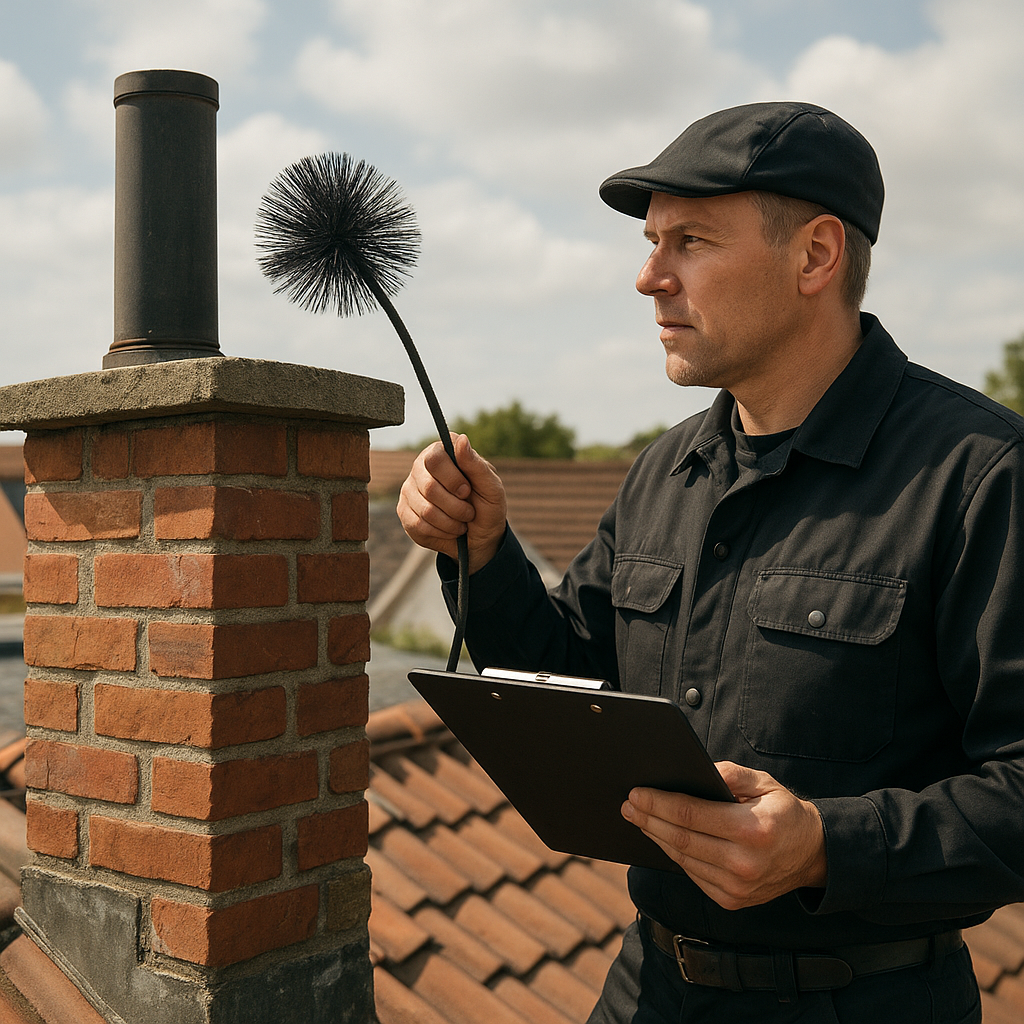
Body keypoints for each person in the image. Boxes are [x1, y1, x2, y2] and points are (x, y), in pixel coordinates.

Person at [397, 101, 1024, 1023]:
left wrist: (824, 845)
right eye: (653, 241)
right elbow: (572, 678)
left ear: (816, 256)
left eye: (689, 240)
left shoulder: (978, 475)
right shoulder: (664, 469)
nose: (649, 276)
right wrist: (482, 555)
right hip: (646, 990)